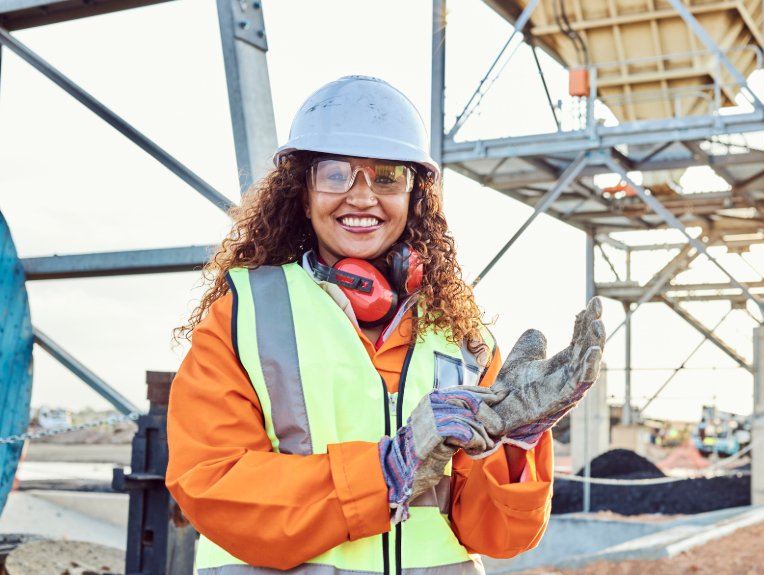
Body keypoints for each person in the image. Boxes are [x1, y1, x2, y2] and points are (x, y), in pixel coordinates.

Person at [166, 75, 604, 575]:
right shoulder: (244, 316)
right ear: (302, 192)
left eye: (388, 176)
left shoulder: (466, 340)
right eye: (335, 174)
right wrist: (387, 471)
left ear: (415, 195)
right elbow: (211, 482)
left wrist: (517, 444)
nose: (361, 196)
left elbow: (498, 537)